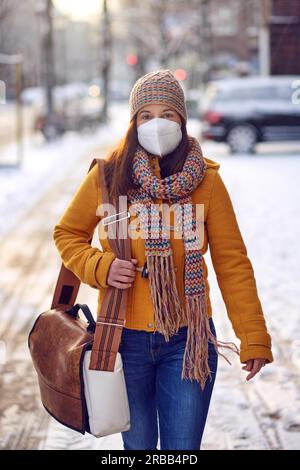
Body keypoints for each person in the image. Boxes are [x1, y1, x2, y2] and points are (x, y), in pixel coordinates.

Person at [53, 69, 274, 450]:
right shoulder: (108, 178)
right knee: (137, 450)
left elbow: (233, 262)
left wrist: (253, 337)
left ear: (183, 121)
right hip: (123, 338)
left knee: (181, 449)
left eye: (168, 114)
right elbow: (67, 233)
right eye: (147, 115)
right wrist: (100, 267)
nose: (157, 124)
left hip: (188, 342)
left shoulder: (207, 182)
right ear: (134, 122)